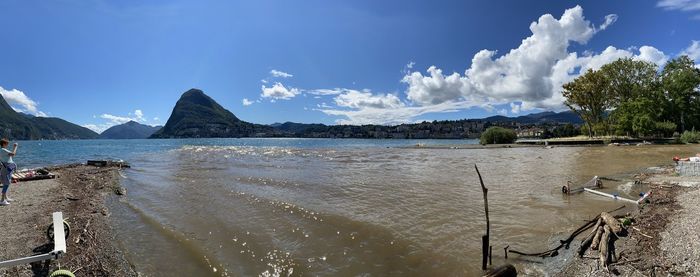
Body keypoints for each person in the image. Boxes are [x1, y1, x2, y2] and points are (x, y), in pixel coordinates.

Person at [0, 138, 17, 205]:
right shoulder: (3, 150)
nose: (7, 145)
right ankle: (2, 200)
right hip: (7, 168)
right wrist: (15, 147)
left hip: (5, 168)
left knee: (5, 183)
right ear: (4, 144)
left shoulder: (1, 150)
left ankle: (6, 198)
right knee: (6, 183)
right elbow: (13, 154)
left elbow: (9, 156)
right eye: (7, 143)